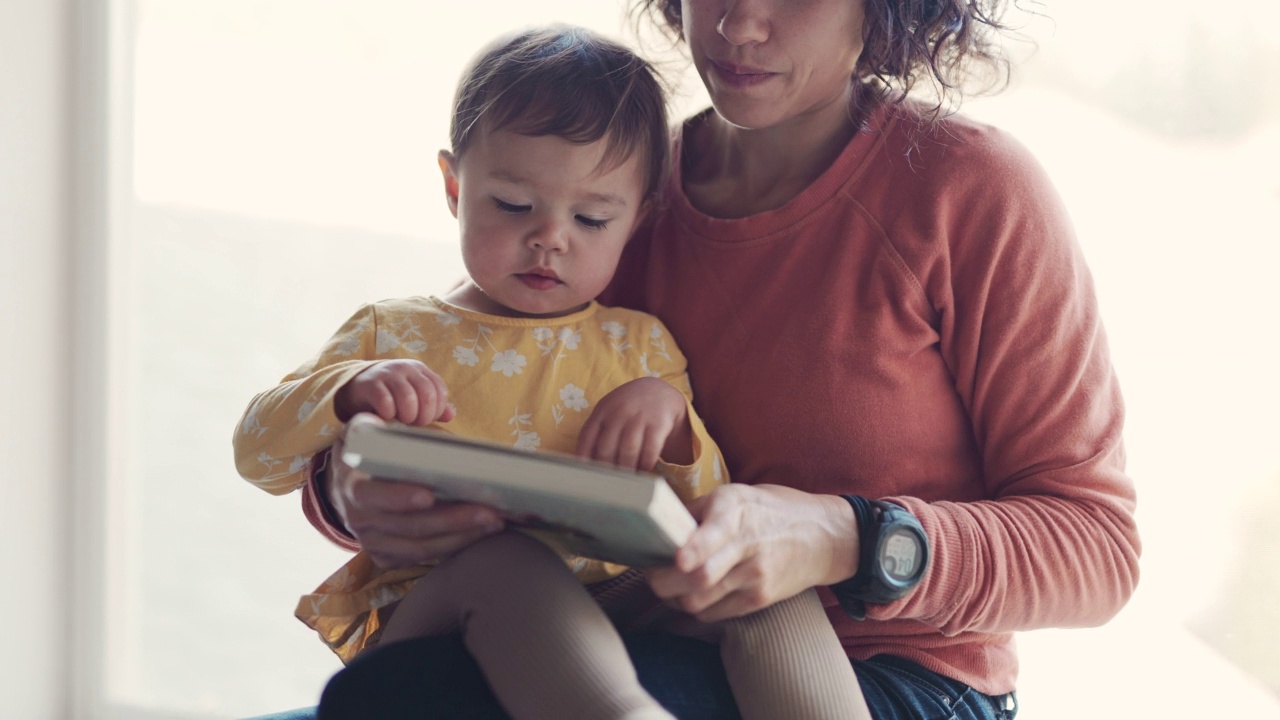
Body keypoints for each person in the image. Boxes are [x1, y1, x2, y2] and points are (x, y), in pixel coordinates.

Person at [277, 1, 1142, 718]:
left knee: (420, 697)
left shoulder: (971, 191)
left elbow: (1098, 550)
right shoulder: (609, 195)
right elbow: (482, 389)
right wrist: (357, 498)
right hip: (623, 629)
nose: (738, 23)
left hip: (887, 677)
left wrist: (846, 536)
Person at [234, 25, 872, 720]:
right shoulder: (395, 332)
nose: (550, 238)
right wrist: (346, 393)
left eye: (593, 218)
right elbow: (257, 454)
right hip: (449, 604)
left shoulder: (640, 348)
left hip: (614, 603)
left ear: (637, 219)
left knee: (756, 578)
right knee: (509, 565)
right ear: (454, 186)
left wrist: (672, 423)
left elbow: (701, 510)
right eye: (512, 206)